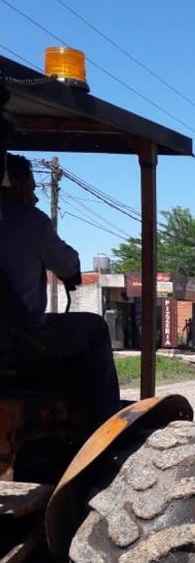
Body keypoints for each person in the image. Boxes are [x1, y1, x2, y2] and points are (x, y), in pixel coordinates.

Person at [0, 153, 120, 427]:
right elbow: (67, 265)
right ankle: (103, 423)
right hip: (16, 341)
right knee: (95, 327)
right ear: (15, 183)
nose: (36, 197)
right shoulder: (30, 221)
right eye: (32, 189)